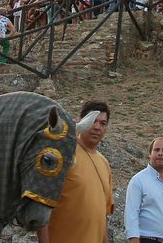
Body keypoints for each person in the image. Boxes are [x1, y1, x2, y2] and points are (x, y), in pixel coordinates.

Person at [43, 101, 113, 243]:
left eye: (103, 123)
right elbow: (43, 202)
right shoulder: (64, 153)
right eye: (93, 121)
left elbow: (103, 215)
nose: (97, 127)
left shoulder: (104, 163)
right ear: (81, 121)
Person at [125, 135, 163, 243]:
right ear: (150, 154)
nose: (160, 153)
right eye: (156, 150)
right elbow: (131, 216)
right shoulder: (138, 181)